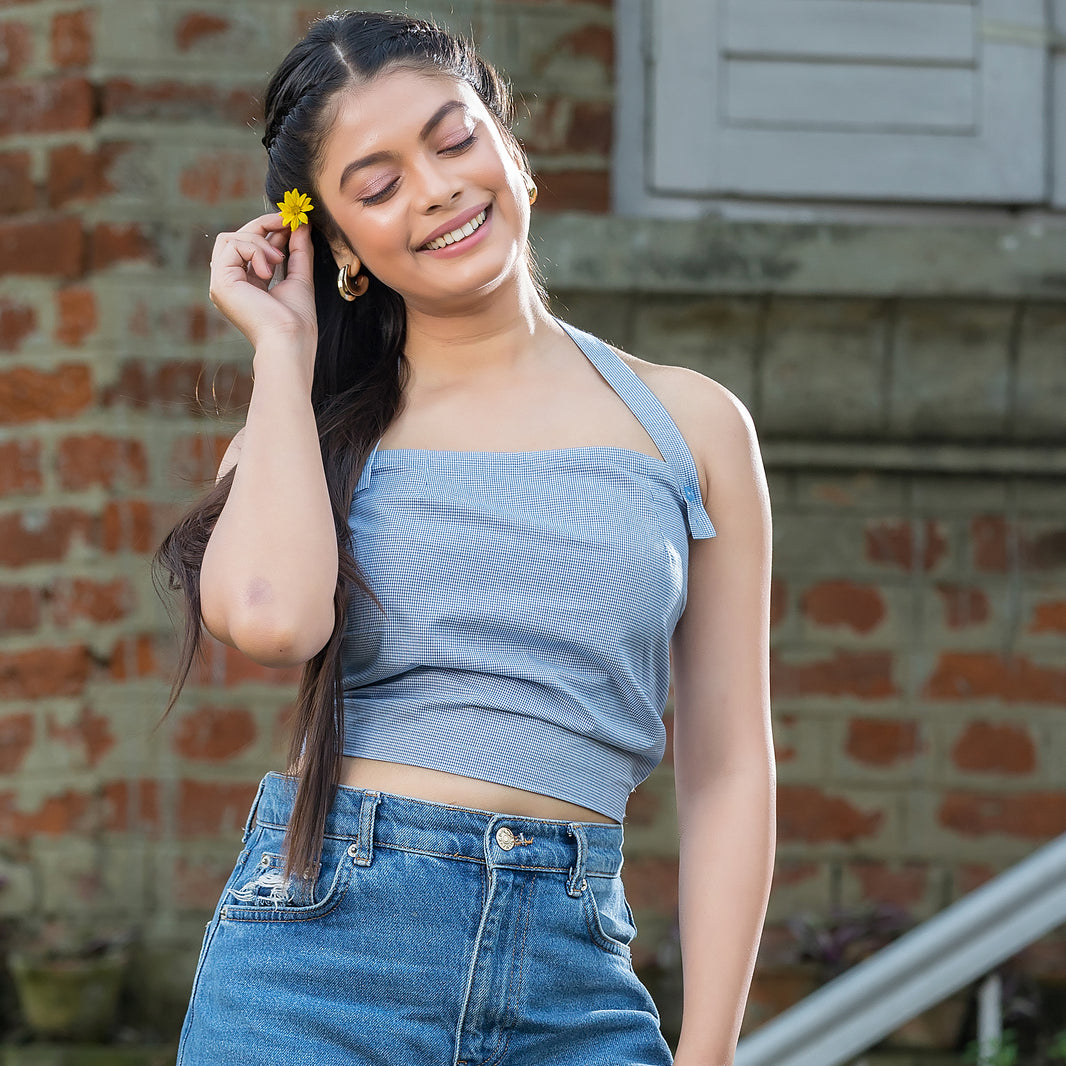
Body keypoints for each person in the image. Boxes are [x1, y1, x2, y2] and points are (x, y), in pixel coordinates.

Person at [154, 10, 775, 1066]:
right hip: (318, 969)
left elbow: (727, 766)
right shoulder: (306, 435)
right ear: (338, 244)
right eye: (377, 183)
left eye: (452, 141)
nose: (437, 188)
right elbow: (270, 619)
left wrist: (708, 1050)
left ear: (511, 152)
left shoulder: (691, 422)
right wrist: (279, 345)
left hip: (573, 979)